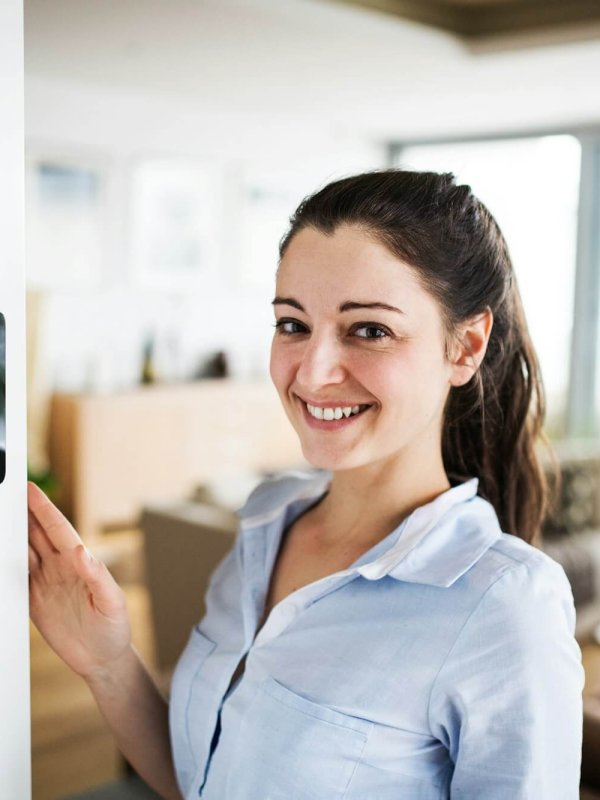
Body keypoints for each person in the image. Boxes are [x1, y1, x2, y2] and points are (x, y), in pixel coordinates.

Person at [28, 169, 584, 800]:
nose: (314, 374)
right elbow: (200, 785)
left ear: (466, 347)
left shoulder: (506, 607)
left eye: (369, 330)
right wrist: (106, 661)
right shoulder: (265, 526)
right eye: (293, 323)